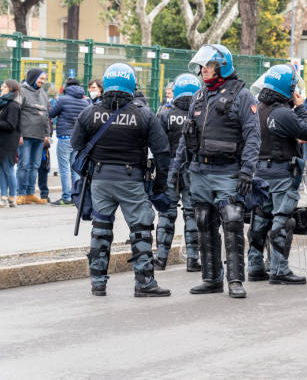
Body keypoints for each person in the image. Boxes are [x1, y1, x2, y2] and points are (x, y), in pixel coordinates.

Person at [71, 62, 171, 297]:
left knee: (101, 228)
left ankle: (98, 283)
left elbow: (76, 146)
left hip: (100, 179)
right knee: (141, 228)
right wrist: (160, 185)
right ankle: (144, 282)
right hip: (132, 180)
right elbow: (162, 152)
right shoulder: (143, 114)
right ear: (131, 85)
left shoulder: (90, 112)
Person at [173, 44, 260, 299]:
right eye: (201, 66)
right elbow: (185, 137)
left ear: (222, 67)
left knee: (232, 221)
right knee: (203, 221)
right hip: (200, 169)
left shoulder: (242, 96)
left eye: (207, 66)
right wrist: (175, 171)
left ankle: (235, 280)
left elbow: (253, 136)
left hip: (228, 170)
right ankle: (211, 278)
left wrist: (247, 171)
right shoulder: (199, 97)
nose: (203, 71)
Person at [247, 64, 307, 284]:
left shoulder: (257, 109)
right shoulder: (283, 113)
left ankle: (255, 265)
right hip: (281, 173)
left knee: (260, 219)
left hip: (259, 172)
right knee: (282, 220)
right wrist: (301, 107)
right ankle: (279, 268)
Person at [153, 74, 202, 272]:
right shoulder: (201, 115)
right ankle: (192, 259)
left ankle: (161, 259)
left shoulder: (165, 114)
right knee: (192, 214)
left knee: (166, 214)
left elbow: (159, 145)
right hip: (194, 169)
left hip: (171, 170)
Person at [48, 77, 89, 205]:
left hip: (65, 137)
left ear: (67, 86)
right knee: (74, 168)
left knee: (64, 169)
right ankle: (75, 197)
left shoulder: (63, 99)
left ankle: (66, 196)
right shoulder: (85, 102)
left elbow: (51, 114)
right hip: (78, 139)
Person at [17, 69, 50, 205]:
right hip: (25, 136)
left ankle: (30, 193)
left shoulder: (43, 93)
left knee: (35, 166)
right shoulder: (21, 91)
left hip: (40, 136)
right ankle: (21, 193)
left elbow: (47, 115)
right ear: (33, 77)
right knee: (24, 165)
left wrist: (47, 135)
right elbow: (16, 113)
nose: (42, 81)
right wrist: (18, 134)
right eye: (40, 78)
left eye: (44, 79)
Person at [0, 79, 21, 208]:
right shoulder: (4, 104)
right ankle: (3, 197)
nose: (1, 88)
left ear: (11, 89)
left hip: (8, 143)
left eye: (4, 86)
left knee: (8, 170)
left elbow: (11, 124)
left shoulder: (13, 105)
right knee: (1, 171)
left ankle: (12, 197)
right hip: (1, 142)